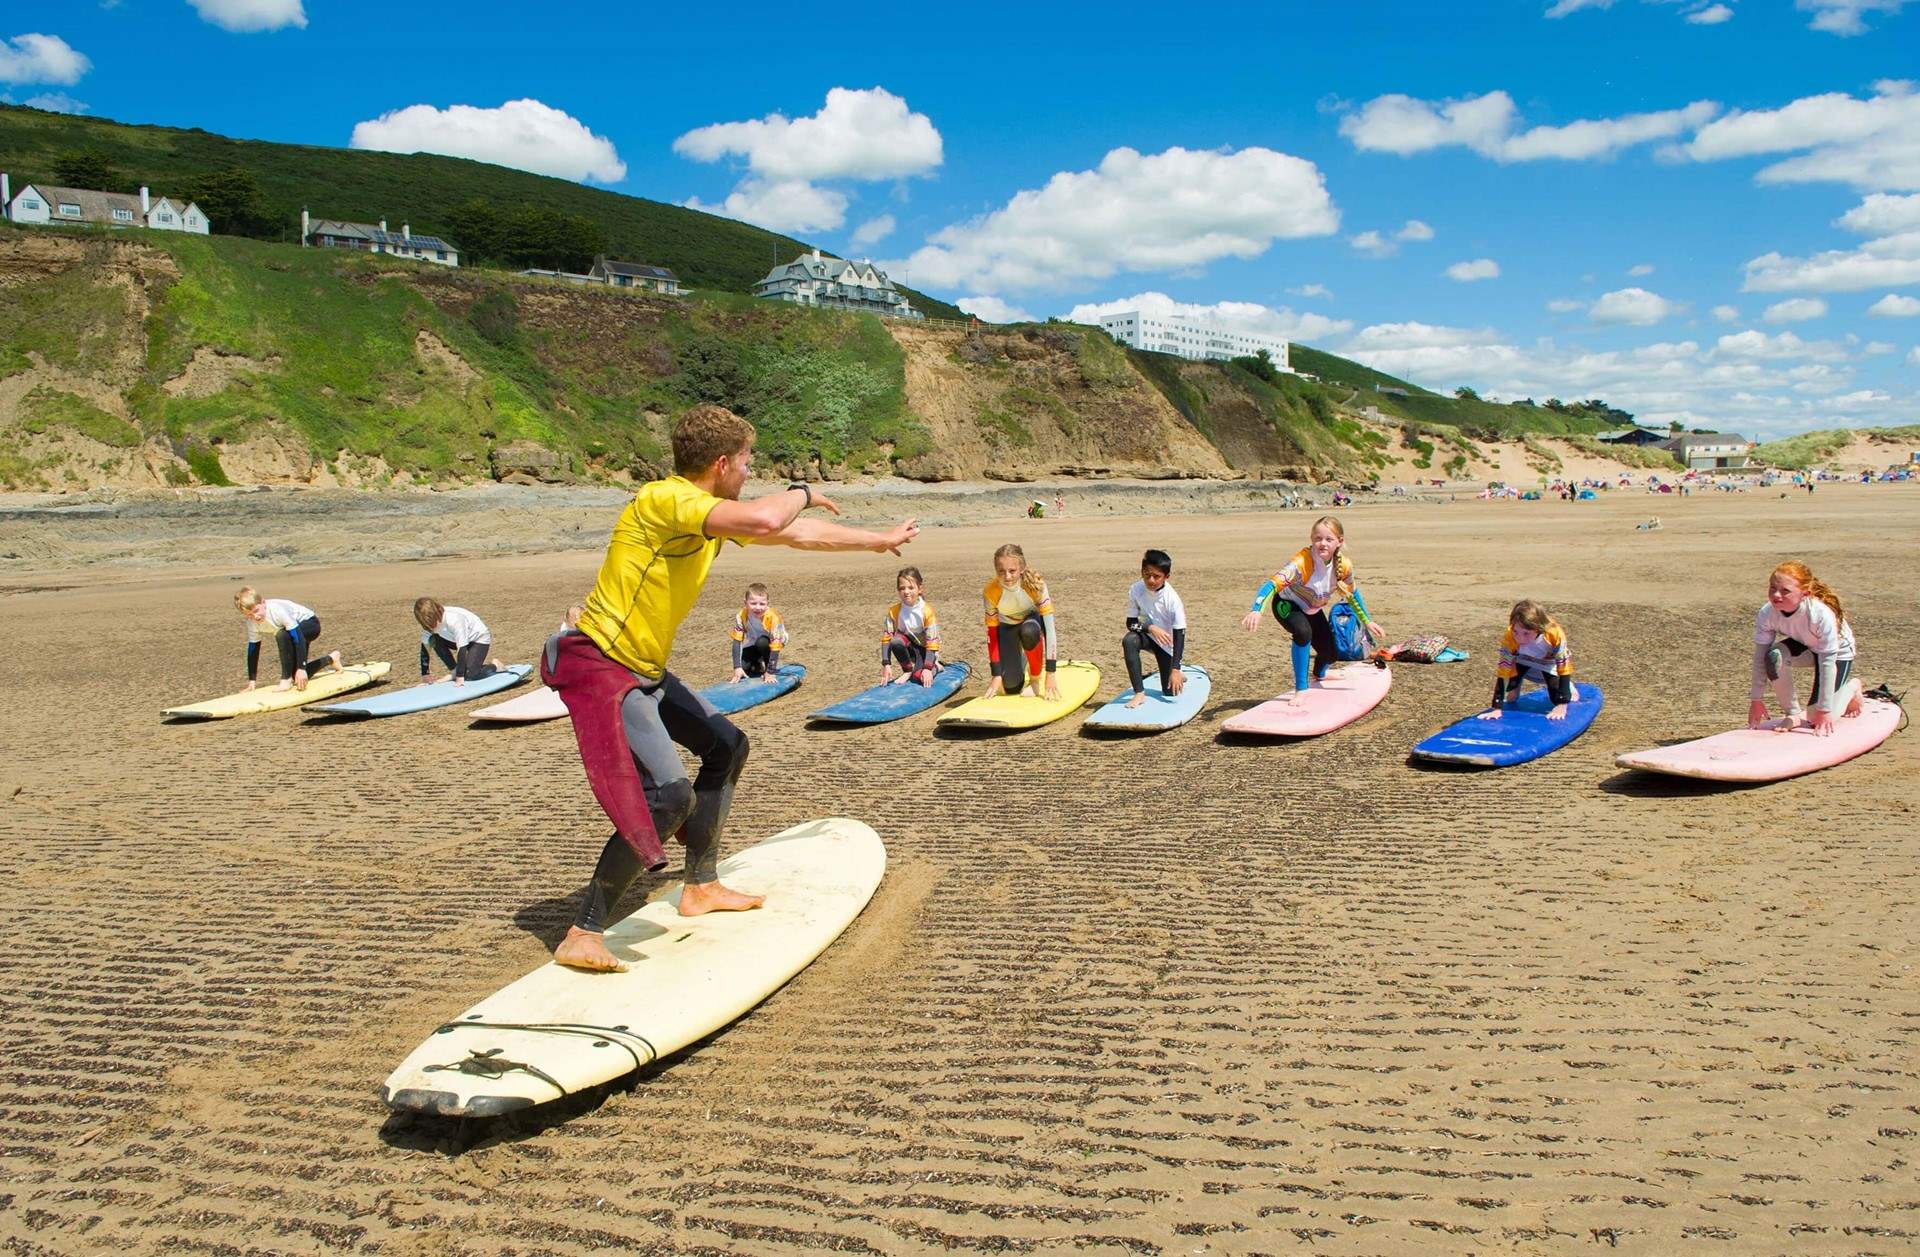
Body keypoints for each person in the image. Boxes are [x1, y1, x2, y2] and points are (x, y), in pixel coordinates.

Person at [543, 404, 917, 973]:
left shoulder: (703, 514)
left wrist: (875, 540)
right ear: (722, 463)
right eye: (746, 461)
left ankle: (700, 886)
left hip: (645, 668)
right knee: (669, 796)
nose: (748, 472)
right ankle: (584, 929)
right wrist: (804, 489)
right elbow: (776, 517)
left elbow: (796, 535)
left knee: (726, 747)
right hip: (605, 667)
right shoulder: (663, 500)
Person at [1240, 515, 1357, 696]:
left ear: (1339, 542)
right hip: (1287, 604)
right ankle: (1301, 689)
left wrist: (1368, 621)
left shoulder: (1344, 566)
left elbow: (1352, 594)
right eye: (1318, 539)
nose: (1323, 543)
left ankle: (1320, 674)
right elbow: (1271, 585)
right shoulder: (1302, 562)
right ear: (1312, 540)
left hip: (1312, 609)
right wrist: (1256, 610)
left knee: (1331, 654)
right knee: (1303, 633)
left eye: (1328, 539)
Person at [1749, 561, 1862, 736]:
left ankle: (1852, 688)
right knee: (1773, 657)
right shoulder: (1767, 612)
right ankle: (1793, 713)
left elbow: (1827, 664)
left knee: (1815, 718)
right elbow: (1759, 657)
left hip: (1837, 654)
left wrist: (1824, 711)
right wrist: (1756, 699)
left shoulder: (1820, 614)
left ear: (1805, 594)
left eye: (1785, 591)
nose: (1776, 595)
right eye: (1772, 588)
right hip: (1807, 646)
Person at [981, 543, 1060, 701]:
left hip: (1031, 623)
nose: (1007, 577)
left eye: (1012, 571)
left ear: (1022, 568)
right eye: (1001, 571)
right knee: (1011, 687)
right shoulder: (990, 592)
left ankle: (1035, 678)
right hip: (1007, 627)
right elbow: (992, 635)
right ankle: (1022, 660)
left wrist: (1051, 673)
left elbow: (1050, 630)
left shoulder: (1036, 585)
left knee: (1029, 632)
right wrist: (996, 675)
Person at [1476, 600, 1578, 722]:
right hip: (1522, 660)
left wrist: (1562, 704)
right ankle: (1516, 686)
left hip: (1548, 663)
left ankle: (1569, 688)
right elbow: (1503, 670)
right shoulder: (1510, 636)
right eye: (1516, 632)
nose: (1520, 638)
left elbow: (1564, 666)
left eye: (1526, 633)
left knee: (1555, 698)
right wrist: (1497, 707)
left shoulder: (1554, 634)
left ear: (1539, 629)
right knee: (1510, 686)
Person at [235, 587, 341, 692]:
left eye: (256, 611)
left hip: (311, 624)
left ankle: (286, 680)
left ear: (263, 603)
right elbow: (253, 650)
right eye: (249, 615)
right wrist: (252, 681)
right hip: (292, 633)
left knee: (282, 635)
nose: (255, 617)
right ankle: (332, 658)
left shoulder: (277, 610)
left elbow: (298, 637)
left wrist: (301, 667)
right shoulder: (251, 623)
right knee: (297, 677)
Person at [1122, 549, 1187, 708]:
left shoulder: (1172, 600)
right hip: (1148, 637)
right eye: (1146, 575)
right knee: (1129, 640)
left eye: (1156, 576)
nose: (1150, 580)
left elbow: (1180, 635)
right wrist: (1150, 628)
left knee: (1170, 693)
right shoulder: (1136, 590)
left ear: (1167, 577)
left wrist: (1176, 669)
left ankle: (1178, 671)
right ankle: (1139, 693)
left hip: (1167, 646)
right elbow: (1130, 623)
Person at [880, 566, 944, 686]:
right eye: (902, 588)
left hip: (927, 651)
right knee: (895, 641)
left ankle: (935, 666)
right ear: (898, 590)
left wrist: (928, 668)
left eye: (911, 587)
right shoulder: (894, 612)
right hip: (911, 649)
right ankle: (907, 670)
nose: (906, 591)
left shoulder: (926, 611)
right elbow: (887, 639)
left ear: (919, 589)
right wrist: (886, 664)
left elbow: (932, 642)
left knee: (918, 677)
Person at [414, 598, 497, 685]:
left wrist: (460, 676)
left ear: (437, 613)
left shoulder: (454, 619)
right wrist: (425, 673)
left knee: (469, 675)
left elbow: (462, 648)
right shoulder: (428, 626)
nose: (432, 628)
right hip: (454, 639)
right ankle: (454, 670)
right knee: (433, 638)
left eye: (433, 624)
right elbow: (425, 647)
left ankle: (496, 665)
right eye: (428, 626)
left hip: (478, 639)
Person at [729, 583, 788, 683]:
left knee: (762, 642)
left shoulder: (774, 617)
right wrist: (737, 667)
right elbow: (737, 641)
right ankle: (757, 663)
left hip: (772, 642)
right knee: (744, 667)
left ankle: (766, 667)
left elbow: (775, 645)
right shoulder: (741, 615)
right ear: (745, 602)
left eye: (762, 604)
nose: (758, 607)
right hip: (753, 641)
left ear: (767, 603)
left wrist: (770, 671)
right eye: (753, 603)